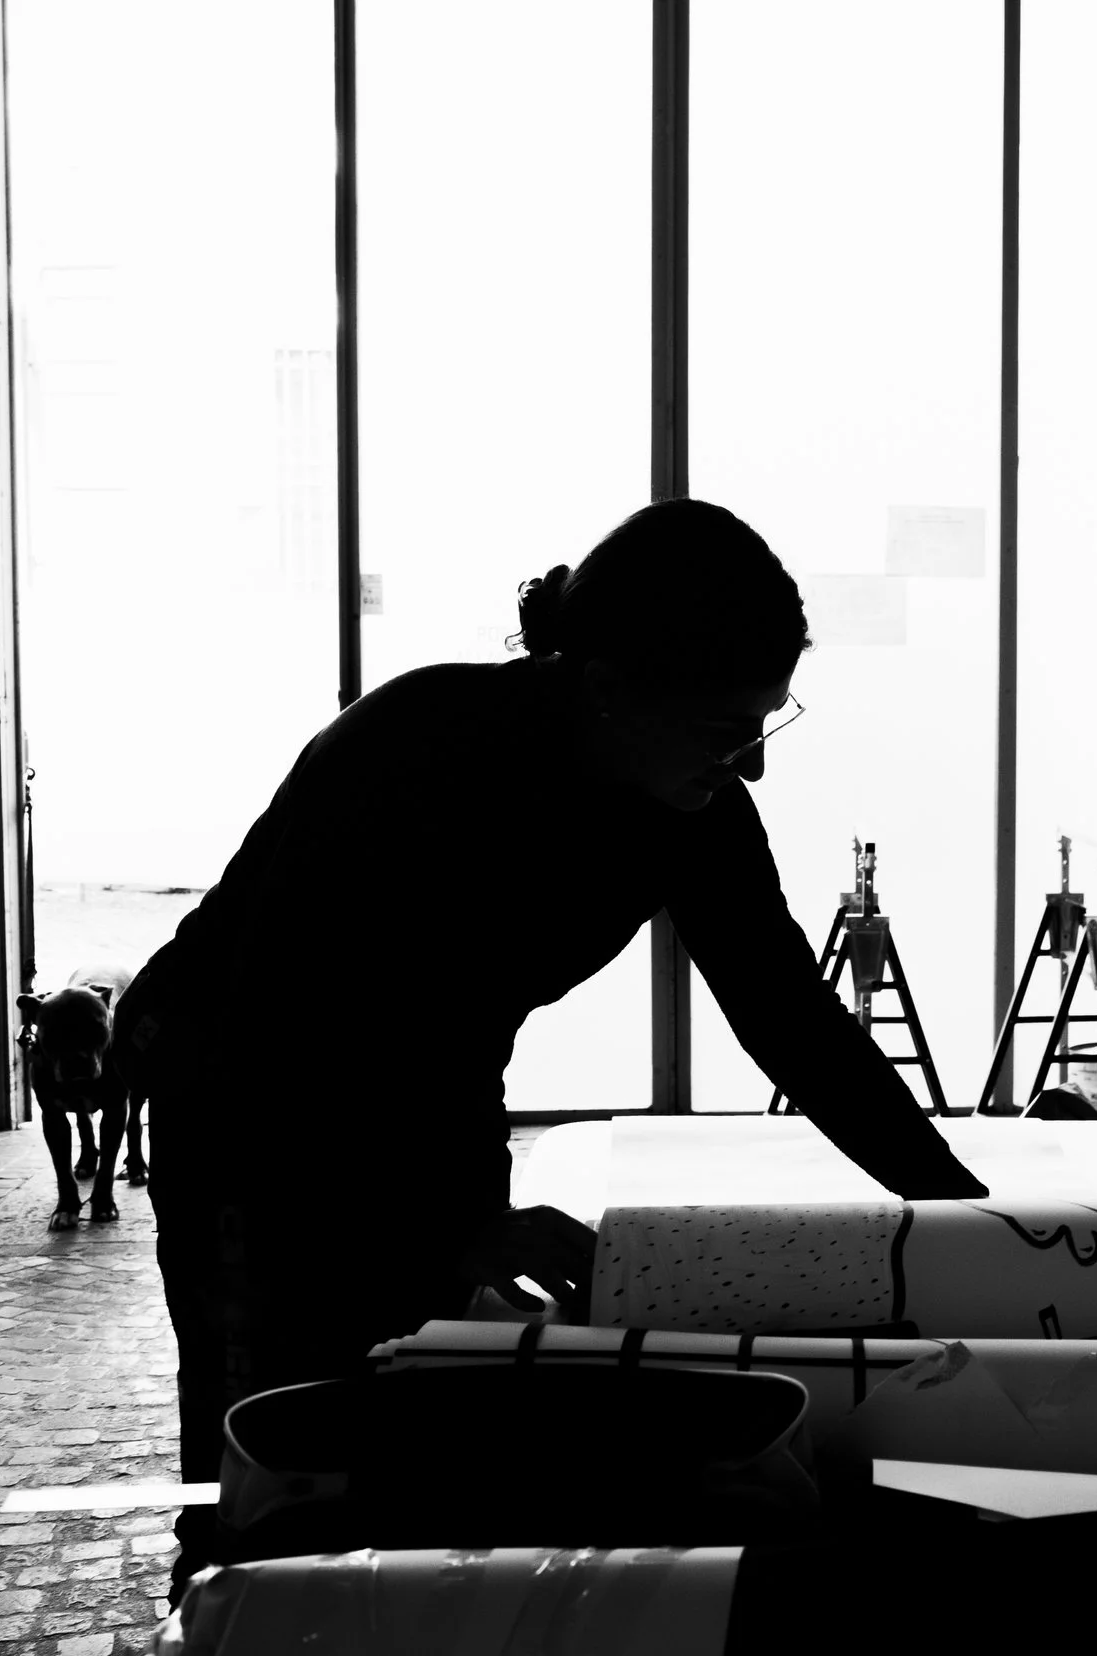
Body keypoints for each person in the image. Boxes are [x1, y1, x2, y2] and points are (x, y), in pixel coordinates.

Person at [113, 498, 988, 1596]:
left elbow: (793, 1021)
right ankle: (245, 1603)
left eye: (769, 723)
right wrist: (449, 1222)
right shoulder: (413, 752)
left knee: (418, 1415)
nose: (752, 767)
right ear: (612, 691)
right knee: (285, 1441)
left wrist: (968, 1222)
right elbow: (296, 1036)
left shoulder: (691, 804)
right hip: (244, 1100)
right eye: (727, 730)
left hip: (423, 1086)